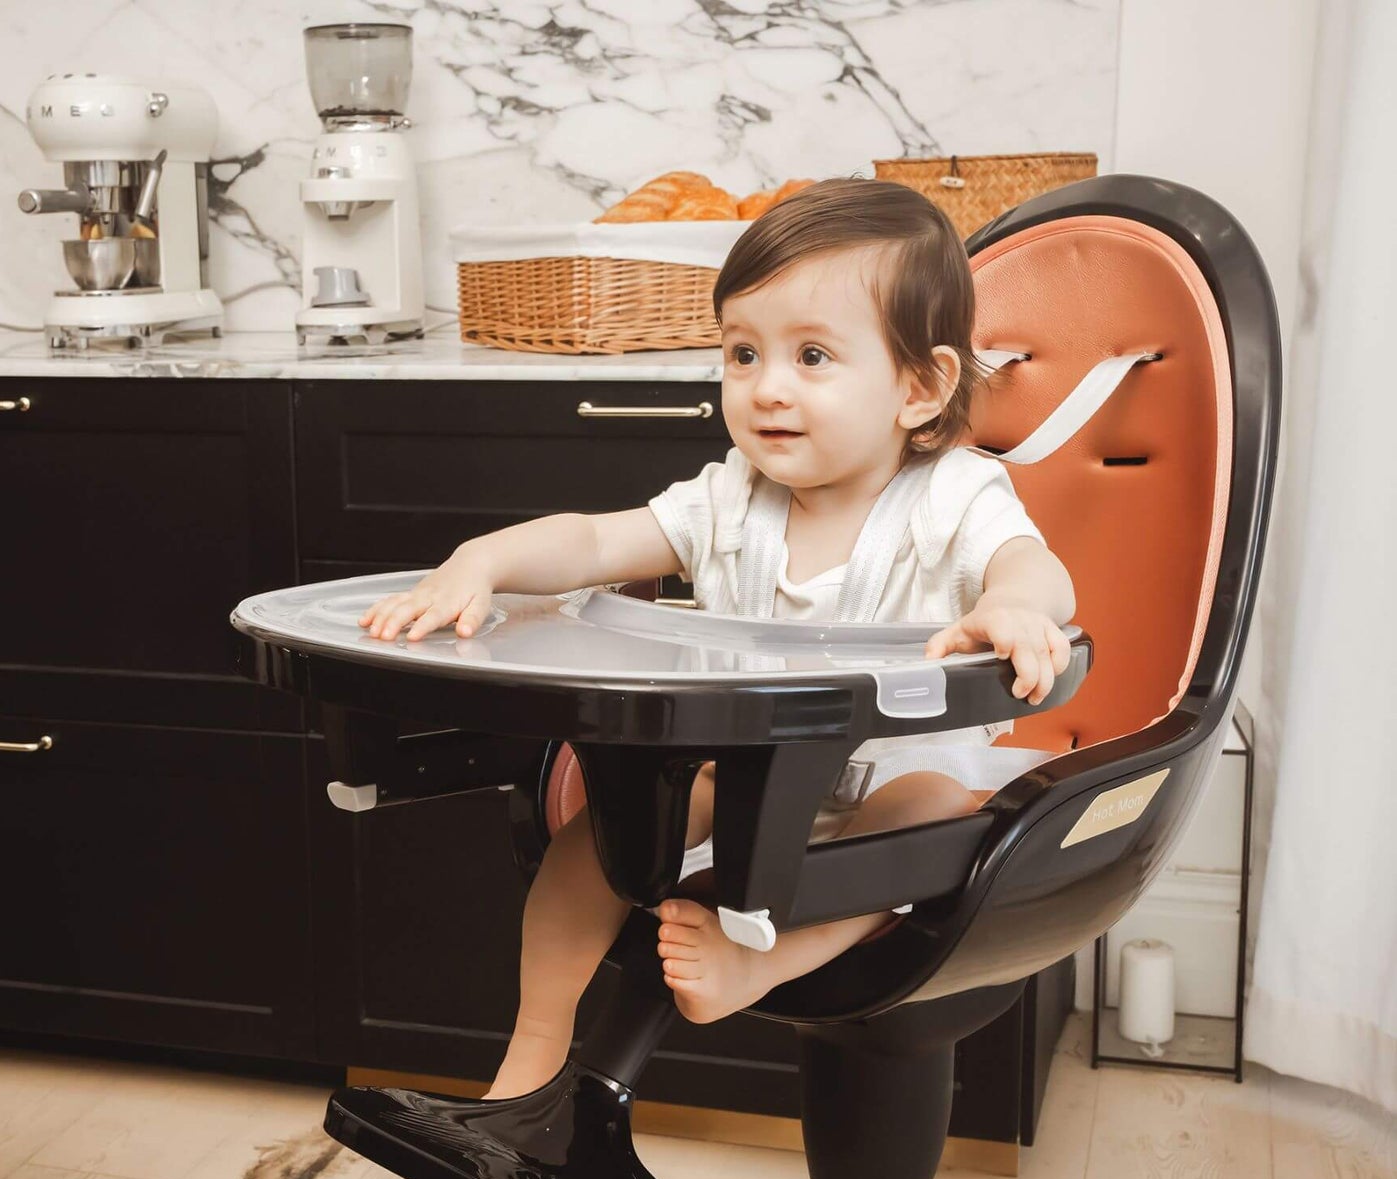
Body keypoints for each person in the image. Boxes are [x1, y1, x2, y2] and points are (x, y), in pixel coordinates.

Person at [360, 178, 1076, 1099]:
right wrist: (482, 559)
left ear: (919, 385)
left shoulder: (950, 495)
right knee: (603, 836)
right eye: (742, 352)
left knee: (933, 809)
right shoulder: (731, 498)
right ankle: (533, 1044)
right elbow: (593, 540)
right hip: (741, 778)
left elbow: (1034, 567)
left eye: (812, 355)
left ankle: (764, 961)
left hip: (894, 782)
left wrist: (1013, 606)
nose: (765, 388)